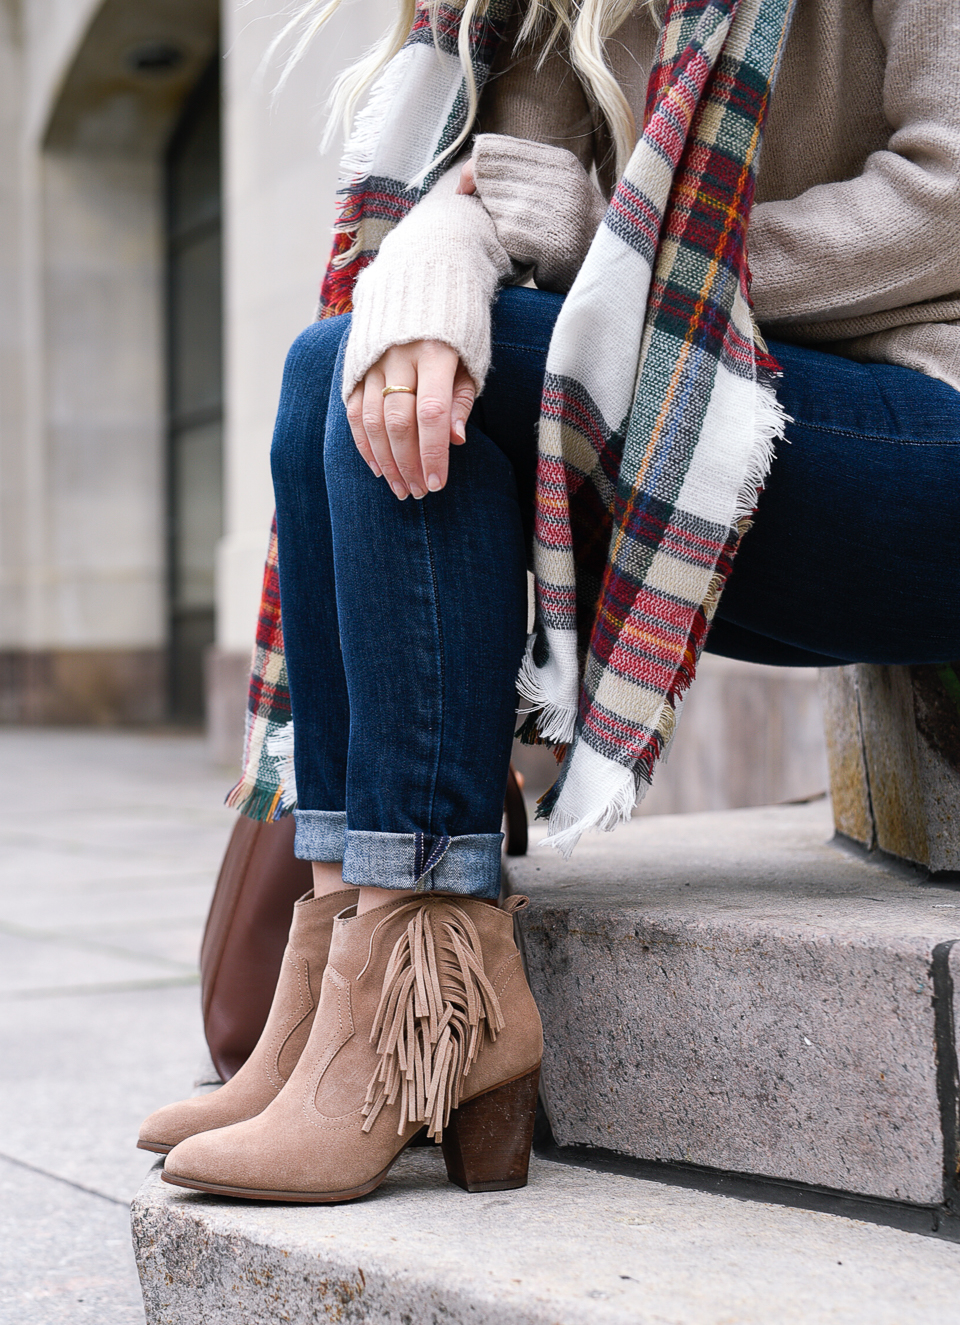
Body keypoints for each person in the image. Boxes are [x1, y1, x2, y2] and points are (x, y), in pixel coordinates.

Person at [139, 0, 960, 1201]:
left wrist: (633, 254)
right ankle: (375, 968)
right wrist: (436, 249)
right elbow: (506, 208)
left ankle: (415, 997)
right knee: (352, 359)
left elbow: (945, 202)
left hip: (920, 435)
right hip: (721, 439)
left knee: (383, 362)